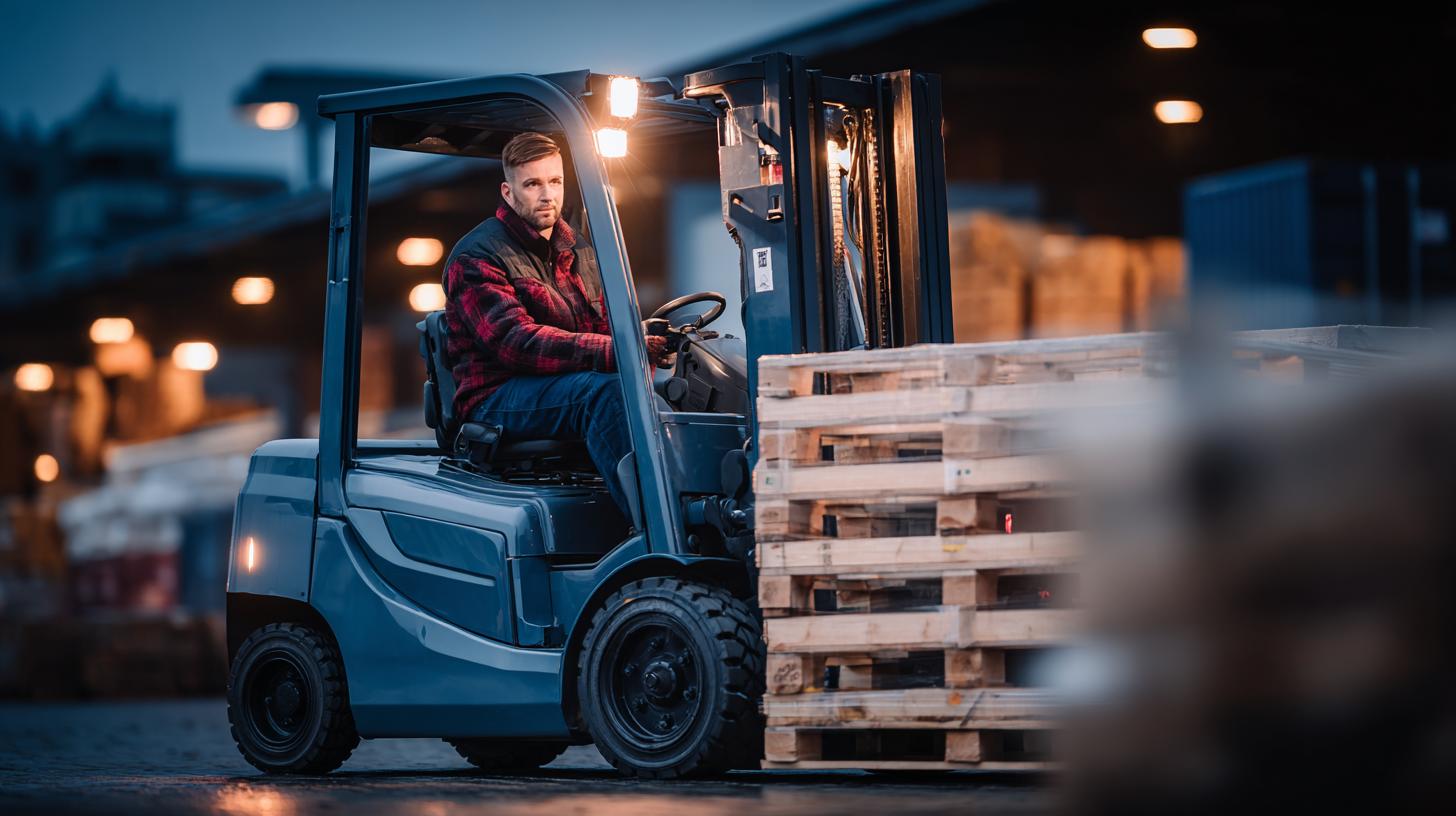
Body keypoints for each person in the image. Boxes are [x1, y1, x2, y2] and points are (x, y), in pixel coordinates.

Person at [441, 131, 665, 520]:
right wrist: (616, 351)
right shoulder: (477, 256)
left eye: (555, 181)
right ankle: (655, 523)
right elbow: (516, 343)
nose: (547, 195)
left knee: (680, 391)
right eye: (532, 184)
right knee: (602, 394)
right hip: (495, 396)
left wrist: (644, 339)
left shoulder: (579, 248)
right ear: (508, 193)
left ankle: (698, 506)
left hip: (555, 387)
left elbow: (602, 325)